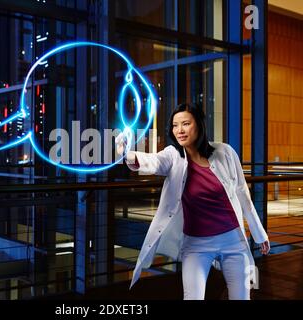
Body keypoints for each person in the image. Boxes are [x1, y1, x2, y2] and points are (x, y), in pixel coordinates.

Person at [115, 103, 270, 300]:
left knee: (241, 297)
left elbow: (242, 194)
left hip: (233, 241)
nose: (179, 130)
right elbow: (151, 161)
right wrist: (126, 153)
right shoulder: (173, 156)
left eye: (186, 123)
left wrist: (259, 234)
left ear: (199, 125)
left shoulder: (225, 152)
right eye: (175, 125)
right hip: (196, 245)